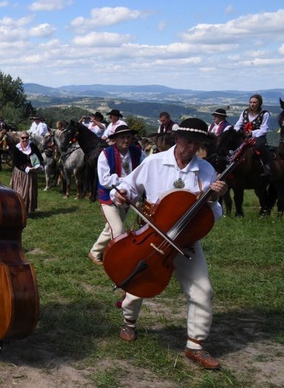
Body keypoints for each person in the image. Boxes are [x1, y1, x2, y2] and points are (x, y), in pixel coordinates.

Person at [111, 118, 229, 369]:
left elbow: (215, 214)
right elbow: (129, 187)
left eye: (196, 144)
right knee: (137, 279)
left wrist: (212, 200)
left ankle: (195, 345)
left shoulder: (206, 170)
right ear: (176, 139)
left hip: (186, 240)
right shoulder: (154, 162)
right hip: (152, 234)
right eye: (187, 141)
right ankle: (129, 323)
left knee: (203, 290)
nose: (191, 148)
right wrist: (121, 195)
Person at [87, 125, 145, 265]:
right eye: (122, 137)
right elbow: (105, 180)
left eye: (128, 137)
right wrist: (126, 180)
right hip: (108, 197)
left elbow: (145, 170)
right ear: (114, 140)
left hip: (128, 196)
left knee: (111, 227)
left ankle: (94, 252)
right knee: (118, 229)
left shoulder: (138, 152)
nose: (126, 140)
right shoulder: (105, 154)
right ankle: (120, 261)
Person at [233, 93, 272, 176]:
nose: (252, 104)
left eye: (255, 102)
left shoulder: (265, 114)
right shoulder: (245, 112)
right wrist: (235, 132)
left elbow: (264, 129)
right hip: (244, 135)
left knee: (259, 146)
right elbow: (238, 124)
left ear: (259, 103)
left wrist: (252, 133)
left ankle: (266, 167)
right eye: (251, 102)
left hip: (258, 136)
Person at [9, 132, 45, 217]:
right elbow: (16, 162)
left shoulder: (33, 146)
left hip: (31, 174)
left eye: (26, 138)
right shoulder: (17, 148)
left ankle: (27, 210)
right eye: (23, 138)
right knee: (20, 192)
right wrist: (26, 168)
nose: (25, 139)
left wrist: (39, 166)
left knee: (29, 192)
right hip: (20, 173)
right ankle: (18, 209)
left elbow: (40, 158)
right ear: (20, 138)